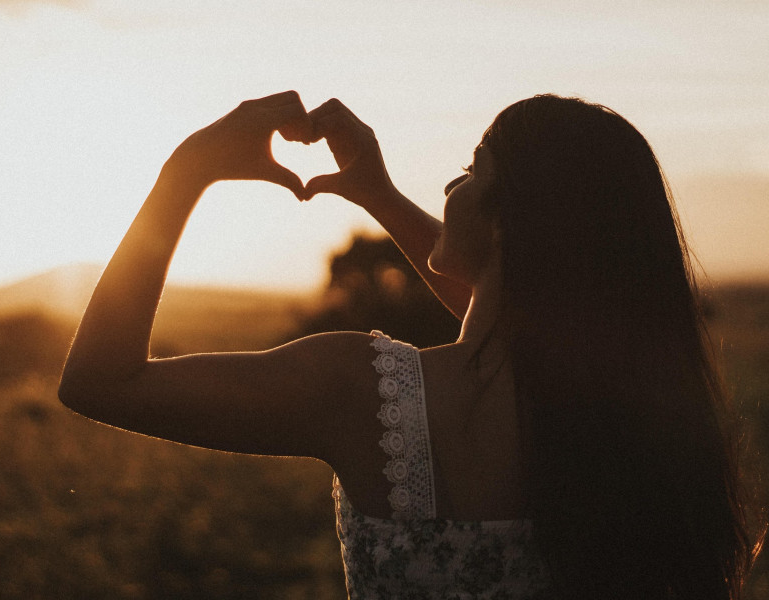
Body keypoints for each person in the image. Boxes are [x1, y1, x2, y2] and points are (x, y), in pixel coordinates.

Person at [59, 91, 759, 599]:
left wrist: (189, 167)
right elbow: (528, 316)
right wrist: (379, 193)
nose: (451, 185)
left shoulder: (364, 393)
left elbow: (100, 380)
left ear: (511, 222)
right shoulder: (630, 416)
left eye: (471, 169)